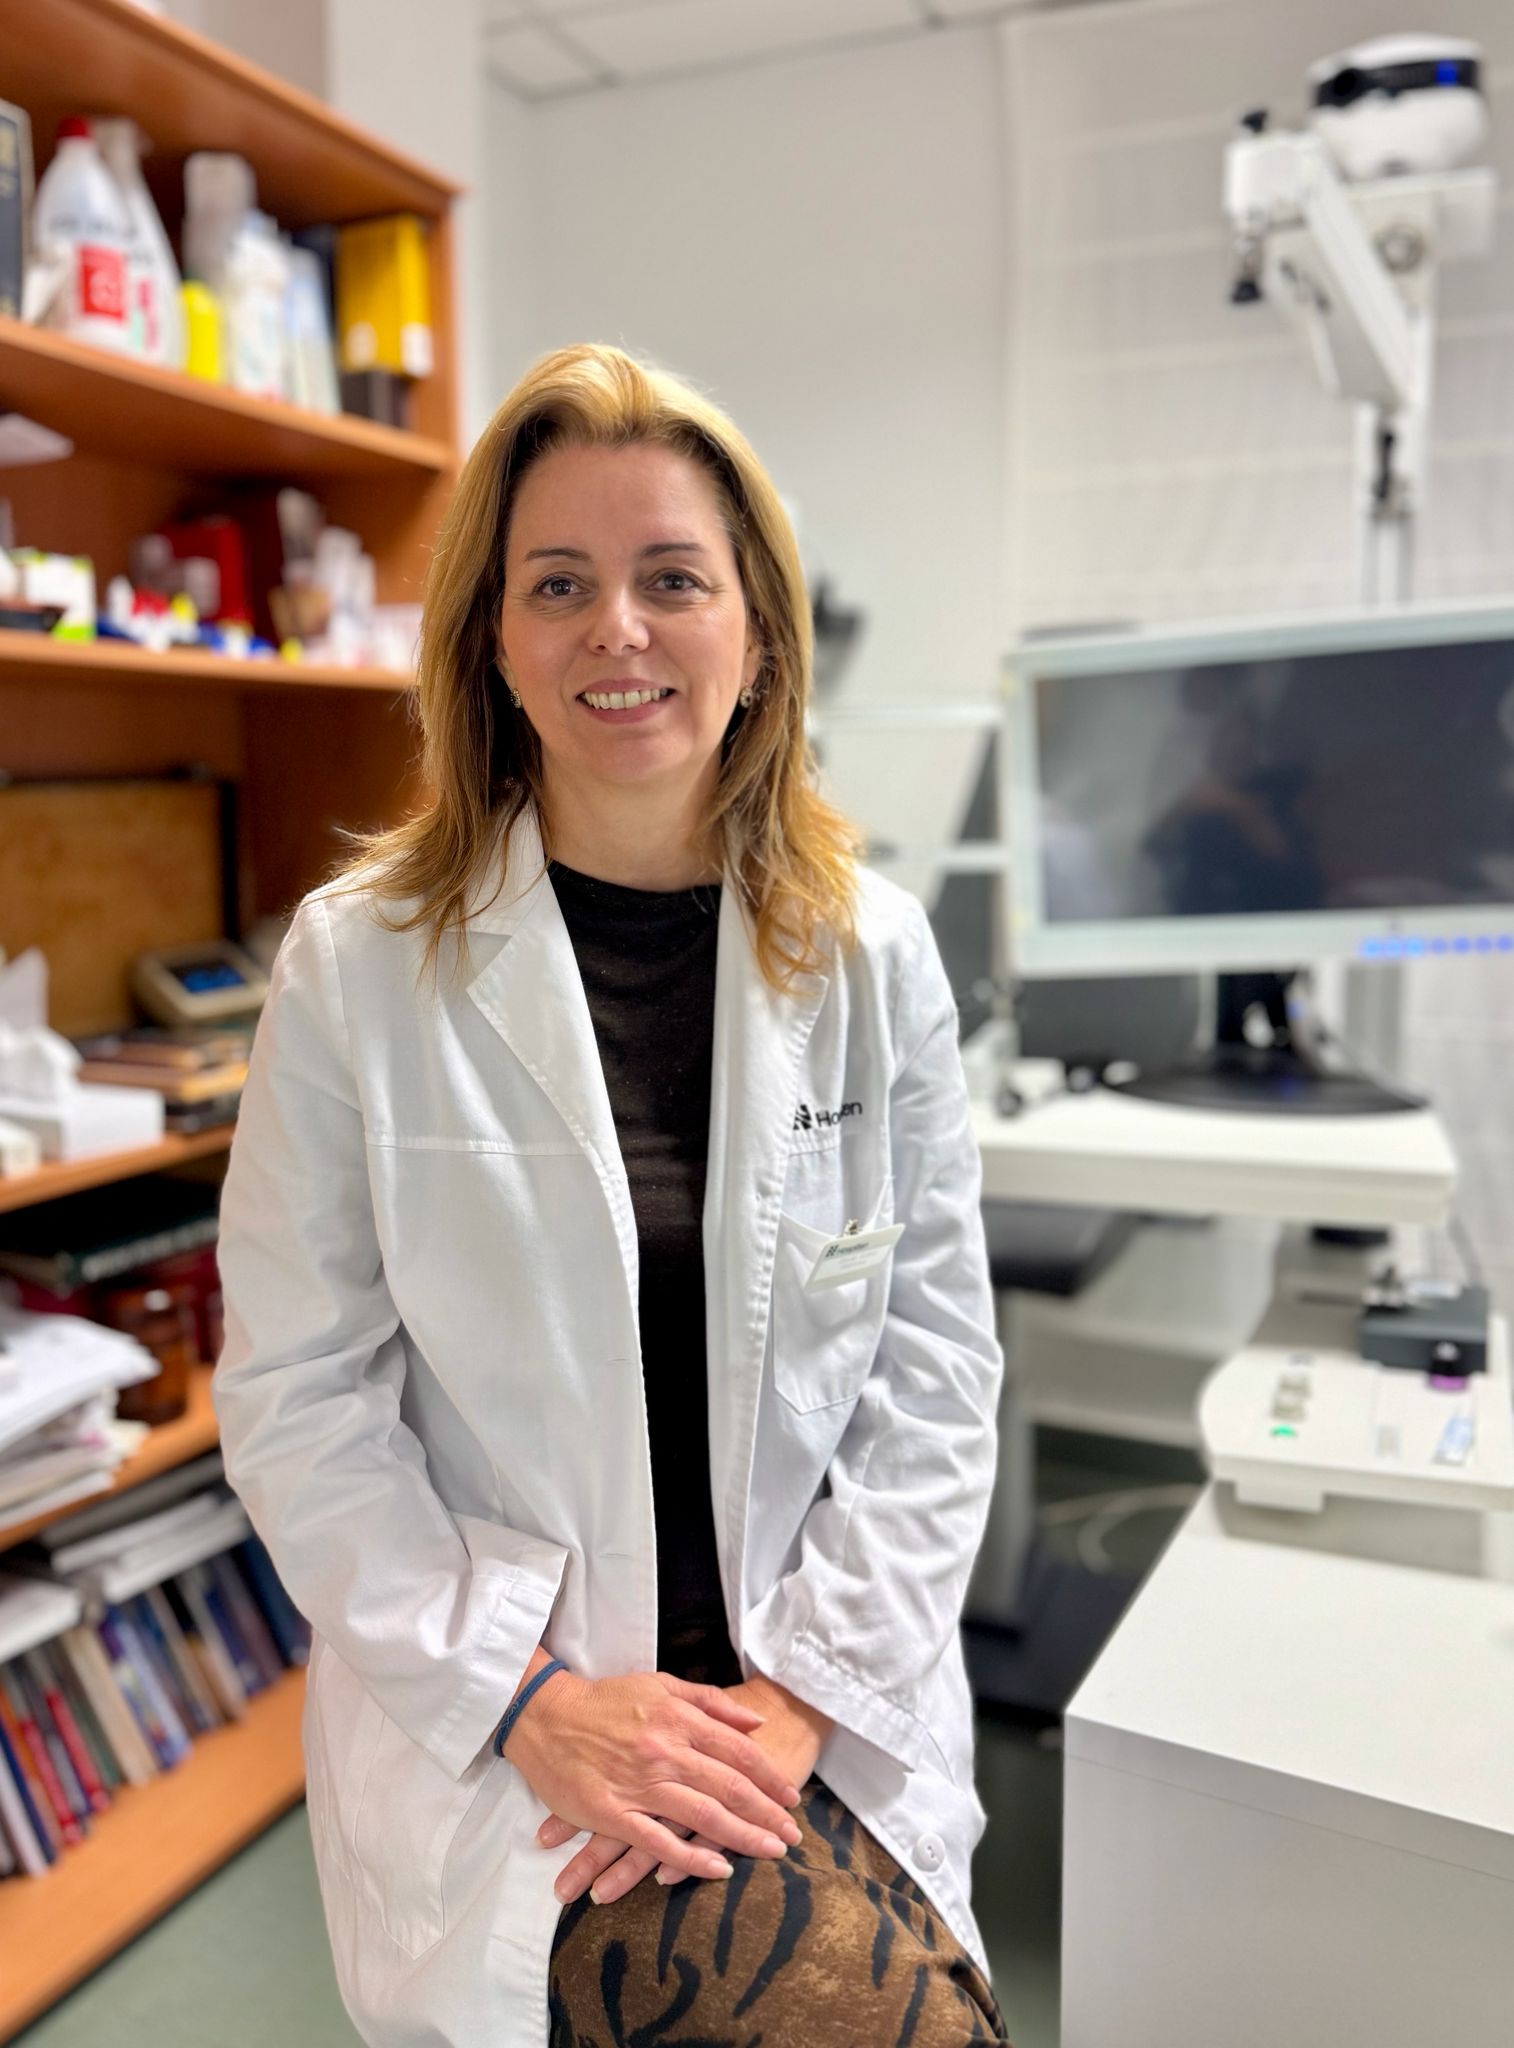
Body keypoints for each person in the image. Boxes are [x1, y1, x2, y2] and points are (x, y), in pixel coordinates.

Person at [212, 342, 1008, 2047]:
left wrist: (801, 1695)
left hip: (810, 1695)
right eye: (558, 585)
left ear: (757, 633)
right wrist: (528, 1702)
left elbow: (934, 1374)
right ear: (493, 641)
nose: (617, 632)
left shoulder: (874, 953)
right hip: (526, 1726)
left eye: (672, 580)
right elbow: (297, 1401)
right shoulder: (358, 967)